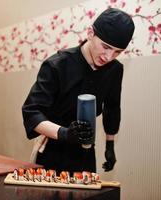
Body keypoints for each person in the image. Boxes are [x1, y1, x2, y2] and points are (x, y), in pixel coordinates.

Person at [22, 8, 135, 173]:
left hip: (86, 152)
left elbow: (112, 108)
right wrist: (65, 134)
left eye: (117, 52)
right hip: (52, 149)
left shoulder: (114, 70)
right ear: (90, 33)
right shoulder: (57, 65)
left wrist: (110, 146)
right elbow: (31, 113)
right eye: (105, 46)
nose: (109, 57)